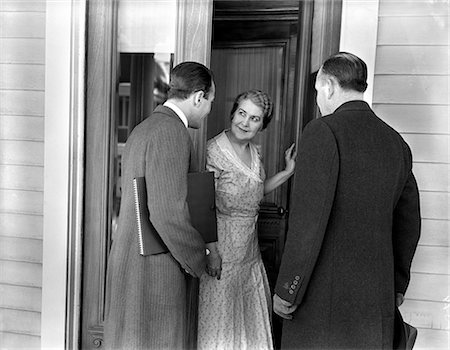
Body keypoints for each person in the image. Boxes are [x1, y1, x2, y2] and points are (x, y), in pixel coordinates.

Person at [273, 52, 421, 349]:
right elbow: (409, 224)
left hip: (322, 303)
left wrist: (288, 289)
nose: (318, 100)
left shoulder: (322, 131)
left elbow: (308, 223)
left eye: (317, 91)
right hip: (376, 303)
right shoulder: (396, 142)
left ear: (328, 85)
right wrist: (397, 286)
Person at [104, 61, 215, 349]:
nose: (208, 110)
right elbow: (168, 214)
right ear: (198, 97)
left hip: (132, 258)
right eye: (210, 102)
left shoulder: (144, 127)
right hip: (156, 269)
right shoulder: (171, 131)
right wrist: (198, 258)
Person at [198, 89, 297, 350]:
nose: (245, 122)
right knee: (221, 326)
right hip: (222, 252)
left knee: (247, 327)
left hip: (249, 255)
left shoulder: (255, 152)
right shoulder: (213, 151)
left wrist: (287, 172)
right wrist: (212, 250)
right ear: (232, 113)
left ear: (262, 125)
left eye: (254, 118)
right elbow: (203, 206)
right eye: (242, 113)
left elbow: (255, 190)